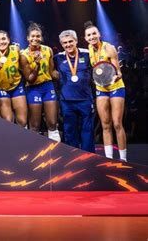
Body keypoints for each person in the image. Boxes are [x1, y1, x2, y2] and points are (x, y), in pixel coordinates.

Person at [84, 21, 127, 161]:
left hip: (115, 87)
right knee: (105, 124)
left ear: (99, 34)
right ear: (85, 38)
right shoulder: (89, 49)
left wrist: (115, 77)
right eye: (89, 35)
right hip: (101, 89)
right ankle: (108, 158)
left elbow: (118, 72)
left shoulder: (109, 48)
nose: (92, 37)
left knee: (117, 123)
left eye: (94, 34)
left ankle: (123, 159)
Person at [53, 30, 95, 152]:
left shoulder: (87, 54)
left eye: (71, 41)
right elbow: (50, 71)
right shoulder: (58, 58)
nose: (68, 44)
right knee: (69, 130)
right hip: (67, 101)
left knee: (87, 130)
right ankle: (72, 156)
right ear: (61, 44)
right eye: (65, 43)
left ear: (76, 41)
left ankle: (88, 156)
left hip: (85, 99)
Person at [20, 22, 60, 141]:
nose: (35, 38)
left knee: (53, 123)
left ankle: (56, 151)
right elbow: (30, 79)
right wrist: (37, 64)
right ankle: (35, 152)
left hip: (48, 86)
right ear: (28, 38)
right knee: (35, 125)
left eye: (38, 36)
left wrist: (65, 75)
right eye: (32, 36)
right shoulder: (23, 55)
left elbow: (52, 72)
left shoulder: (48, 50)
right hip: (33, 88)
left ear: (41, 37)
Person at [0, 30, 27, 127]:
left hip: (17, 86)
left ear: (9, 40)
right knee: (8, 121)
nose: (1, 42)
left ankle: (23, 139)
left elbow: (24, 68)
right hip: (1, 88)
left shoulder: (16, 50)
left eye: (4, 39)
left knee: (22, 121)